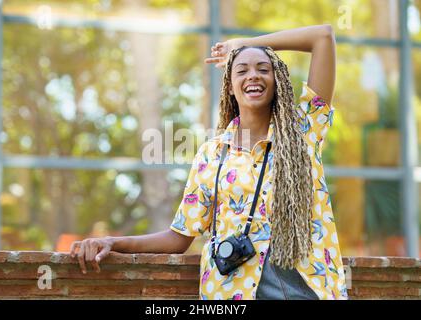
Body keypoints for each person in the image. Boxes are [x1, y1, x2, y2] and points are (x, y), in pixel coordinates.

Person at [70, 24, 348, 300]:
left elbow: (322, 36)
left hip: (304, 289)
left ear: (277, 82)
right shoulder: (211, 154)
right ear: (229, 87)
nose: (253, 76)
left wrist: (243, 43)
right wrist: (112, 242)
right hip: (232, 293)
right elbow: (178, 238)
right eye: (242, 70)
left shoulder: (303, 131)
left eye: (263, 69)